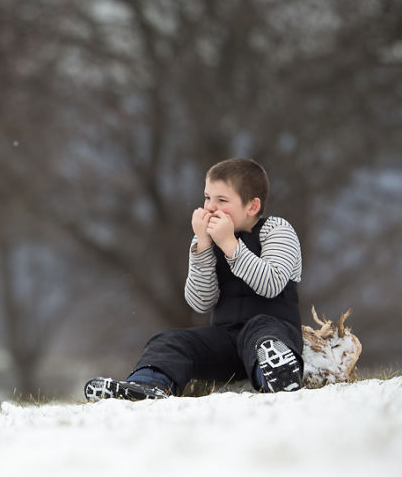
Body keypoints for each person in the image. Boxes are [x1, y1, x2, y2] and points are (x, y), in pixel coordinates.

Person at [85, 158, 304, 401]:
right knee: (168, 339)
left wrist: (230, 245)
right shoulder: (206, 240)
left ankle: (278, 375)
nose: (210, 207)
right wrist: (203, 248)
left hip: (273, 334)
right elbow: (200, 302)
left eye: (221, 200)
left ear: (252, 207)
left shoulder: (276, 230)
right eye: (207, 198)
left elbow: (271, 284)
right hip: (226, 343)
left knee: (261, 330)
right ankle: (148, 384)